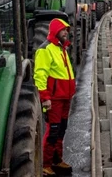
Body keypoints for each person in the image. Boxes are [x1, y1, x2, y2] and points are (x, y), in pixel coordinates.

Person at [34, 18, 76, 177]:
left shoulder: (61, 48)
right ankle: (46, 164)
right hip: (54, 98)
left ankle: (57, 160)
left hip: (65, 97)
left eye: (67, 29)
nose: (66, 32)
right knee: (53, 130)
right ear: (55, 31)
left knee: (61, 129)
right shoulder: (46, 49)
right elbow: (40, 75)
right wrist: (45, 97)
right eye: (63, 29)